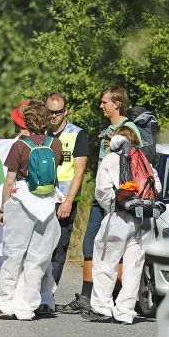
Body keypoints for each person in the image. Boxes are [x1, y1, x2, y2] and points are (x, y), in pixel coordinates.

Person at [57, 86, 141, 314]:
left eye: (105, 102)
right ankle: (87, 297)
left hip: (118, 201)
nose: (101, 106)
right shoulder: (109, 130)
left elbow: (130, 165)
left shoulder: (129, 130)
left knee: (117, 249)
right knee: (90, 244)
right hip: (100, 198)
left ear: (118, 104)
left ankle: (119, 301)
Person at [0, 101, 64, 321]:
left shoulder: (20, 146)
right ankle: (26, 306)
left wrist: (3, 208)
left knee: (13, 255)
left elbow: (9, 181)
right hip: (48, 203)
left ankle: (5, 303)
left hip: (21, 201)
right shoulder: (56, 144)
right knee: (37, 258)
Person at [82, 128, 160, 324]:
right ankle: (125, 311)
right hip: (144, 220)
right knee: (134, 267)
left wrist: (114, 205)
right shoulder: (145, 161)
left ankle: (102, 307)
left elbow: (102, 190)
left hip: (119, 217)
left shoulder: (111, 159)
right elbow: (156, 187)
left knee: (105, 261)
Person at [34, 92, 90, 314]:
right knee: (40, 249)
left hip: (64, 201)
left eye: (58, 112)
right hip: (42, 199)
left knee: (58, 250)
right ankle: (35, 293)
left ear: (65, 111)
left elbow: (79, 172)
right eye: (50, 112)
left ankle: (48, 297)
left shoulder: (77, 135)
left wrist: (68, 202)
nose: (53, 116)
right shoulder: (41, 134)